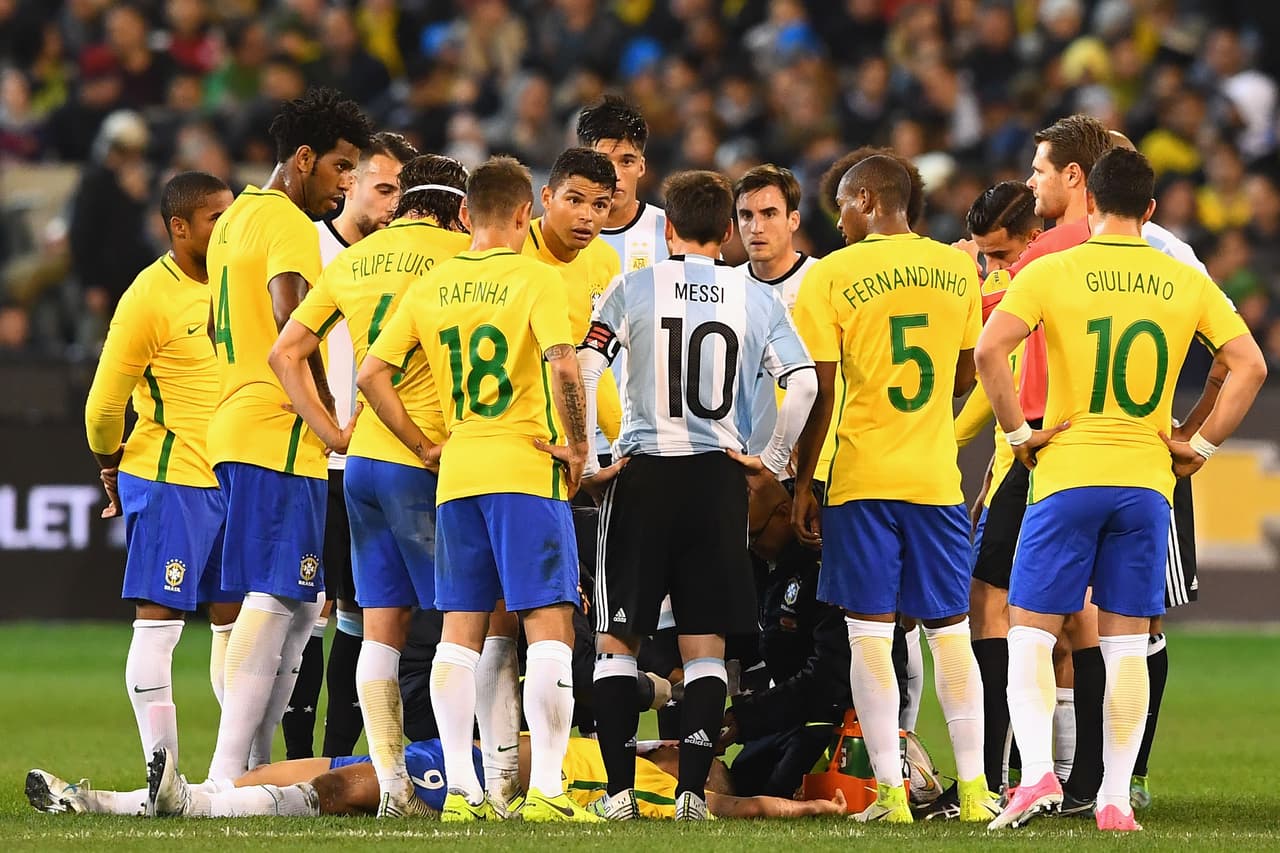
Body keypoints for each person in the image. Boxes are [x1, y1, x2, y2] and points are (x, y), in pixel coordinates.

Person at [979, 148, 1266, 832]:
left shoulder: (1052, 268)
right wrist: (1196, 445)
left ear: (1094, 205)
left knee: (1026, 635)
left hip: (1067, 474)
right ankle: (1112, 796)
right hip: (1145, 482)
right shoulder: (1183, 279)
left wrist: (1019, 434)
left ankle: (1038, 776)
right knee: (1126, 643)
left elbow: (991, 350)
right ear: (1152, 209)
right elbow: (1247, 364)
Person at [358, 156, 597, 823]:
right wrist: (578, 444)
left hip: (457, 472)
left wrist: (423, 445)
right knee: (549, 624)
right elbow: (562, 364)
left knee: (457, 634)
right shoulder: (537, 278)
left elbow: (373, 373)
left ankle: (464, 796)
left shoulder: (431, 286)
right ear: (526, 215)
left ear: (467, 215)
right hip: (524, 466)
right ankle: (548, 789)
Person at [582, 170, 817, 821]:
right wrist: (768, 464)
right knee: (705, 644)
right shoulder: (753, 295)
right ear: (726, 231)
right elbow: (801, 384)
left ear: (667, 226)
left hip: (644, 471)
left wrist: (590, 454)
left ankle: (619, 793)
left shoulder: (633, 285)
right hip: (718, 478)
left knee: (617, 642)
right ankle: (690, 793)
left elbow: (584, 362)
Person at [790, 155, 996, 824]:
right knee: (950, 634)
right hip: (935, 478)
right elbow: (967, 374)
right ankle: (973, 790)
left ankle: (890, 794)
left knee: (870, 637)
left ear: (869, 198)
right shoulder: (957, 269)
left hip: (862, 477)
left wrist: (802, 481)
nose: (840, 222)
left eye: (844, 206)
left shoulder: (832, 274)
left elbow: (817, 389)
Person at [269, 154, 471, 816]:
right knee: (473, 620)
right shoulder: (467, 253)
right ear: (459, 206)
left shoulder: (355, 258)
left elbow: (286, 352)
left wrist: (331, 433)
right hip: (431, 456)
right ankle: (475, 780)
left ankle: (393, 786)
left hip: (360, 468)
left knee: (380, 628)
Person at [203, 87, 372, 784]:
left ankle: (257, 768)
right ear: (303, 160)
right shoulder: (289, 224)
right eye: (339, 167)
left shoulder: (232, 218)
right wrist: (331, 423)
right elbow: (290, 330)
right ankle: (224, 772)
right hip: (277, 430)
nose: (344, 185)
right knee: (277, 598)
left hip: (237, 422)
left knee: (301, 605)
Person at [954, 114, 1114, 811]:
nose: (1032, 178)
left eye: (1042, 167)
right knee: (1089, 617)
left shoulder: (1046, 254)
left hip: (1046, 442)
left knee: (995, 603)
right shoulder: (1131, 245)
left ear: (1073, 176)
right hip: (1118, 446)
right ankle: (1092, 779)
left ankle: (999, 772)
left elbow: (992, 336)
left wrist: (955, 273)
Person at [83, 171, 236, 775]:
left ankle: (235, 766)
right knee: (159, 622)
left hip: (237, 478)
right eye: (213, 221)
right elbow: (102, 406)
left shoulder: (239, 283)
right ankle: (161, 767)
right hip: (172, 478)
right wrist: (109, 463)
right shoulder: (149, 296)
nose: (226, 230)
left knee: (237, 627)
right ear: (179, 227)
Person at [288, 129, 419, 764]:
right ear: (352, 182)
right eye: (383, 186)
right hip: (317, 458)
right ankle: (289, 752)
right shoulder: (311, 248)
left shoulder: (409, 260)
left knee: (359, 612)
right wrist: (324, 427)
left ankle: (339, 756)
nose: (394, 202)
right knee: (303, 611)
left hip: (368, 459)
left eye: (403, 190)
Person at [26, 738, 846, 820]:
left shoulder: (685, 796)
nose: (677, 755)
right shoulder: (633, 751)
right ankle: (103, 798)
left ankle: (177, 805)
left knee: (342, 789)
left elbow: (754, 805)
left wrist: (818, 808)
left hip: (473, 777)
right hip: (458, 745)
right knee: (268, 773)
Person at [522, 147, 625, 448]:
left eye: (600, 205)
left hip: (576, 439)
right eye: (574, 200)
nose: (586, 216)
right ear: (546, 198)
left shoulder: (606, 260)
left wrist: (620, 437)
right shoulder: (514, 252)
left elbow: (592, 357)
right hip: (519, 434)